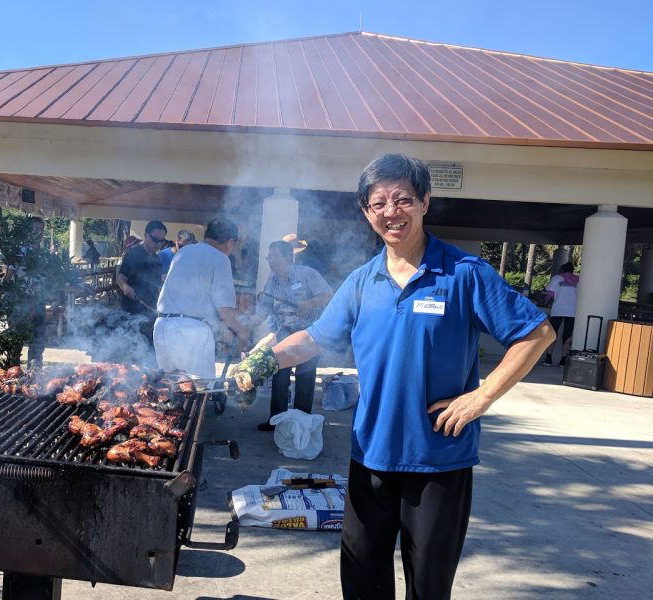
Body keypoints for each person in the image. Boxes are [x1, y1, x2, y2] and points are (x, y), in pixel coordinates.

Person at [232, 154, 554, 599]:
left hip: (439, 458)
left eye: (402, 199)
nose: (390, 212)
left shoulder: (463, 273)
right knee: (362, 580)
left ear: (424, 201)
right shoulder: (362, 281)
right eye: (378, 203)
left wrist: (480, 398)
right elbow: (313, 338)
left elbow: (536, 333)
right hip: (371, 455)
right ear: (366, 212)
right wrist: (262, 362)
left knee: (427, 586)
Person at [251, 240, 333, 431]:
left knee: (305, 377)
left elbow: (328, 294)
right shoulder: (272, 280)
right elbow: (264, 308)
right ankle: (276, 420)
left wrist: (309, 303)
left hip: (309, 333)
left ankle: (302, 422)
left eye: (274, 256)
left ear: (287, 256)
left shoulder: (307, 273)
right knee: (279, 376)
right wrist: (247, 323)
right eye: (268, 257)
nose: (270, 260)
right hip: (285, 332)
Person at [154, 217, 250, 380]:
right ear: (229, 242)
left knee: (168, 387)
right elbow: (225, 310)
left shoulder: (184, 251)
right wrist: (243, 332)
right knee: (198, 389)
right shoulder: (220, 259)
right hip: (190, 333)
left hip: (162, 327)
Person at [5, 216, 49, 367]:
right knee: (16, 341)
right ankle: (13, 372)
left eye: (40, 229)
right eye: (34, 229)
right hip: (21, 301)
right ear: (27, 230)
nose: (37, 232)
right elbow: (8, 277)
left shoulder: (44, 254)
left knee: (38, 341)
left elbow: (47, 280)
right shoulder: (18, 251)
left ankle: (34, 374)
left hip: (39, 302)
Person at [117, 221, 168, 345]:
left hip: (150, 310)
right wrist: (125, 287)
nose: (158, 244)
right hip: (133, 310)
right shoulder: (134, 254)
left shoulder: (156, 258)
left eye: (161, 241)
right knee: (134, 347)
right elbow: (120, 277)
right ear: (146, 235)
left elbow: (157, 282)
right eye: (155, 239)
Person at [544, 261, 579, 366]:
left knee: (552, 334)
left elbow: (549, 295)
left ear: (562, 270)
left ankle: (548, 359)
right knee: (567, 336)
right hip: (572, 311)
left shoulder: (557, 278)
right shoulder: (579, 281)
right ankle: (563, 360)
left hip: (557, 310)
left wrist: (543, 302)